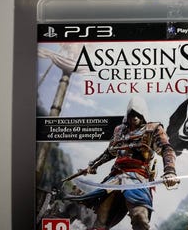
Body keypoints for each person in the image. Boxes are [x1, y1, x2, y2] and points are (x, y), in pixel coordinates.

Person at [67, 97, 179, 230]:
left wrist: (170, 171)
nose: (135, 117)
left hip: (138, 179)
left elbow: (166, 149)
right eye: (132, 114)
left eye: (138, 114)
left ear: (143, 115)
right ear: (127, 115)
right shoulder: (119, 130)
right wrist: (93, 166)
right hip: (115, 177)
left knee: (140, 217)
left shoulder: (153, 129)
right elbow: (110, 152)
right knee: (100, 221)